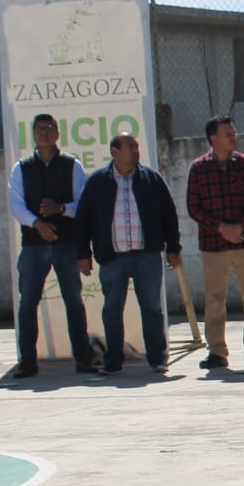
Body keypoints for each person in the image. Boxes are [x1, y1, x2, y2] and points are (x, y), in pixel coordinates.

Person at [76, 134, 182, 376]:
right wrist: (83, 254)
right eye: (130, 147)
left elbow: (169, 213)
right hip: (113, 259)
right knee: (112, 310)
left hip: (147, 256)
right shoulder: (97, 182)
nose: (136, 150)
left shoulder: (151, 179)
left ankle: (158, 359)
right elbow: (82, 219)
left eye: (136, 146)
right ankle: (113, 362)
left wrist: (173, 248)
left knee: (152, 309)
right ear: (115, 152)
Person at [8, 112, 96, 378]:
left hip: (66, 244)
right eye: (39, 129)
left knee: (73, 301)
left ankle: (82, 357)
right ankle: (27, 361)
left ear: (58, 133)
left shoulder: (72, 165)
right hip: (34, 245)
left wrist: (60, 209)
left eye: (49, 128)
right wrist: (37, 223)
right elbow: (16, 204)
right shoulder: (21, 167)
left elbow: (83, 203)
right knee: (28, 304)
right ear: (33, 134)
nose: (44, 132)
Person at [186, 116, 244, 370]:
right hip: (214, 244)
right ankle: (217, 352)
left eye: (234, 132)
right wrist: (221, 227)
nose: (233, 136)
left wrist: (239, 227)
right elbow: (193, 207)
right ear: (213, 138)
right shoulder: (198, 168)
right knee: (214, 299)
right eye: (227, 133)